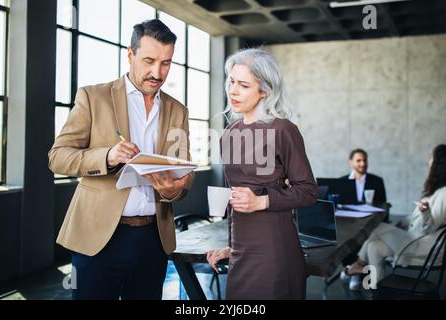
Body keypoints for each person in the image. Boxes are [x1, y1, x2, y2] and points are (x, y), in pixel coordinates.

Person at [48, 19, 193, 300]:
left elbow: (184, 170)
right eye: (149, 60)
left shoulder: (178, 110)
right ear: (130, 55)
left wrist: (176, 189)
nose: (157, 72)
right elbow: (58, 157)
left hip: (154, 239)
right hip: (98, 239)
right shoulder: (93, 97)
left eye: (166, 63)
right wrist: (108, 156)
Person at [206, 48, 318, 299]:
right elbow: (233, 198)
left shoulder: (283, 129)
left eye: (243, 85)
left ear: (265, 90)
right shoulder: (230, 132)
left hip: (274, 251)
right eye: (232, 81)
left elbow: (308, 190)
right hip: (241, 252)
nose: (233, 90)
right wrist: (231, 247)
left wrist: (262, 201)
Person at [341, 144, 446, 291]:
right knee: (374, 246)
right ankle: (376, 288)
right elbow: (416, 217)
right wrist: (402, 222)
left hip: (422, 246)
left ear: (439, 164)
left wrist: (425, 212)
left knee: (376, 227)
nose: (429, 161)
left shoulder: (444, 194)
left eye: (431, 157)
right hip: (415, 238)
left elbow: (430, 226)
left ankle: (358, 263)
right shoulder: (436, 190)